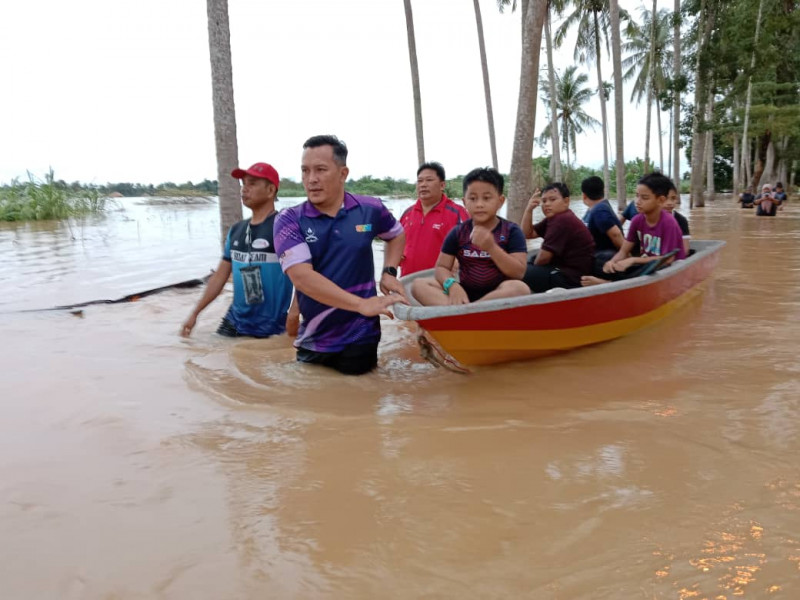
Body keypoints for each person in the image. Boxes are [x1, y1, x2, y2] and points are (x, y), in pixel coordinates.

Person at [273, 135, 407, 375]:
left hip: (360, 334)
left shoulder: (370, 209)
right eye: (305, 171)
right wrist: (361, 304)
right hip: (314, 336)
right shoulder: (289, 219)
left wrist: (389, 272)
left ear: (343, 173)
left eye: (320, 170)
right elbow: (302, 278)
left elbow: (396, 235)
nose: (311, 179)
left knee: (361, 403)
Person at [181, 162, 295, 338]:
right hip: (234, 320)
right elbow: (219, 277)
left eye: (252, 183)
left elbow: (306, 276)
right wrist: (195, 313)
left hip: (271, 325)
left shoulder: (283, 228)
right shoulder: (237, 230)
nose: (244, 189)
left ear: (271, 190)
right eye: (243, 184)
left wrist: (295, 313)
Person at [411, 167, 529, 305]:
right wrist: (453, 285)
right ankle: (465, 313)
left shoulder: (511, 231)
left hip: (498, 296)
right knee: (418, 285)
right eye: (472, 198)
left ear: (500, 201)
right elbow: (441, 268)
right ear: (464, 202)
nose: (479, 204)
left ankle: (466, 312)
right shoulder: (458, 232)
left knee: (520, 288)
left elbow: (518, 273)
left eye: (486, 198)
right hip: (463, 294)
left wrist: (492, 248)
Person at [582, 172, 687, 286]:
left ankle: (605, 283)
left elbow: (667, 260)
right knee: (602, 265)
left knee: (636, 267)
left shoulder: (669, 223)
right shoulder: (637, 220)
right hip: (648, 265)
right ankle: (610, 282)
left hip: (669, 268)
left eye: (644, 198)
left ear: (660, 200)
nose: (637, 201)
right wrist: (612, 262)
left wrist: (633, 260)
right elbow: (623, 251)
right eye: (636, 195)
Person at [521, 182, 595, 292]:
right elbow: (527, 234)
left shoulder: (562, 220)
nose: (546, 204)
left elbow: (543, 258)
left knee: (519, 271)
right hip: (565, 270)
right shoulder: (555, 218)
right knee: (526, 263)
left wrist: (531, 269)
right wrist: (529, 209)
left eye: (552, 199)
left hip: (570, 278)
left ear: (566, 201)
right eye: (544, 201)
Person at [399, 162, 468, 276]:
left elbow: (472, 247)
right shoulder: (408, 213)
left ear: (442, 185)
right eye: (420, 181)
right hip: (407, 281)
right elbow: (395, 242)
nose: (423, 185)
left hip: (441, 284)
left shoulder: (457, 213)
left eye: (429, 180)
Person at [580, 175, 625, 276]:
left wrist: (627, 256)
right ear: (603, 191)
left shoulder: (599, 210)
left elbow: (616, 234)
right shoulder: (595, 209)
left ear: (584, 195)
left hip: (604, 258)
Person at [664, 181, 691, 255]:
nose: (669, 203)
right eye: (665, 199)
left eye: (673, 198)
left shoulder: (681, 220)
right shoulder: (647, 218)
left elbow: (685, 250)